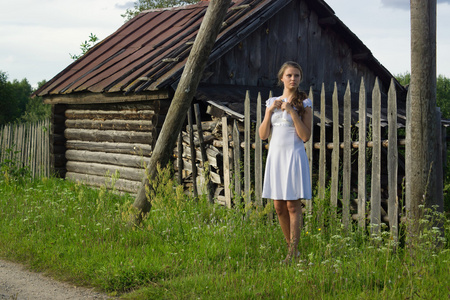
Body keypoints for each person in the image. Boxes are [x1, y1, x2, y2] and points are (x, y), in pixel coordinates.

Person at [259, 61, 312, 264]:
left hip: (293, 156)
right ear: (282, 78)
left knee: (292, 205)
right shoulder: (271, 102)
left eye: (296, 75)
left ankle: (292, 252)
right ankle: (293, 251)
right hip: (276, 157)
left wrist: (291, 111)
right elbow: (263, 135)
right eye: (289, 75)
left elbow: (305, 136)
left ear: (300, 78)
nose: (293, 79)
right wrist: (269, 112)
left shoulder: (304, 103)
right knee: (278, 206)